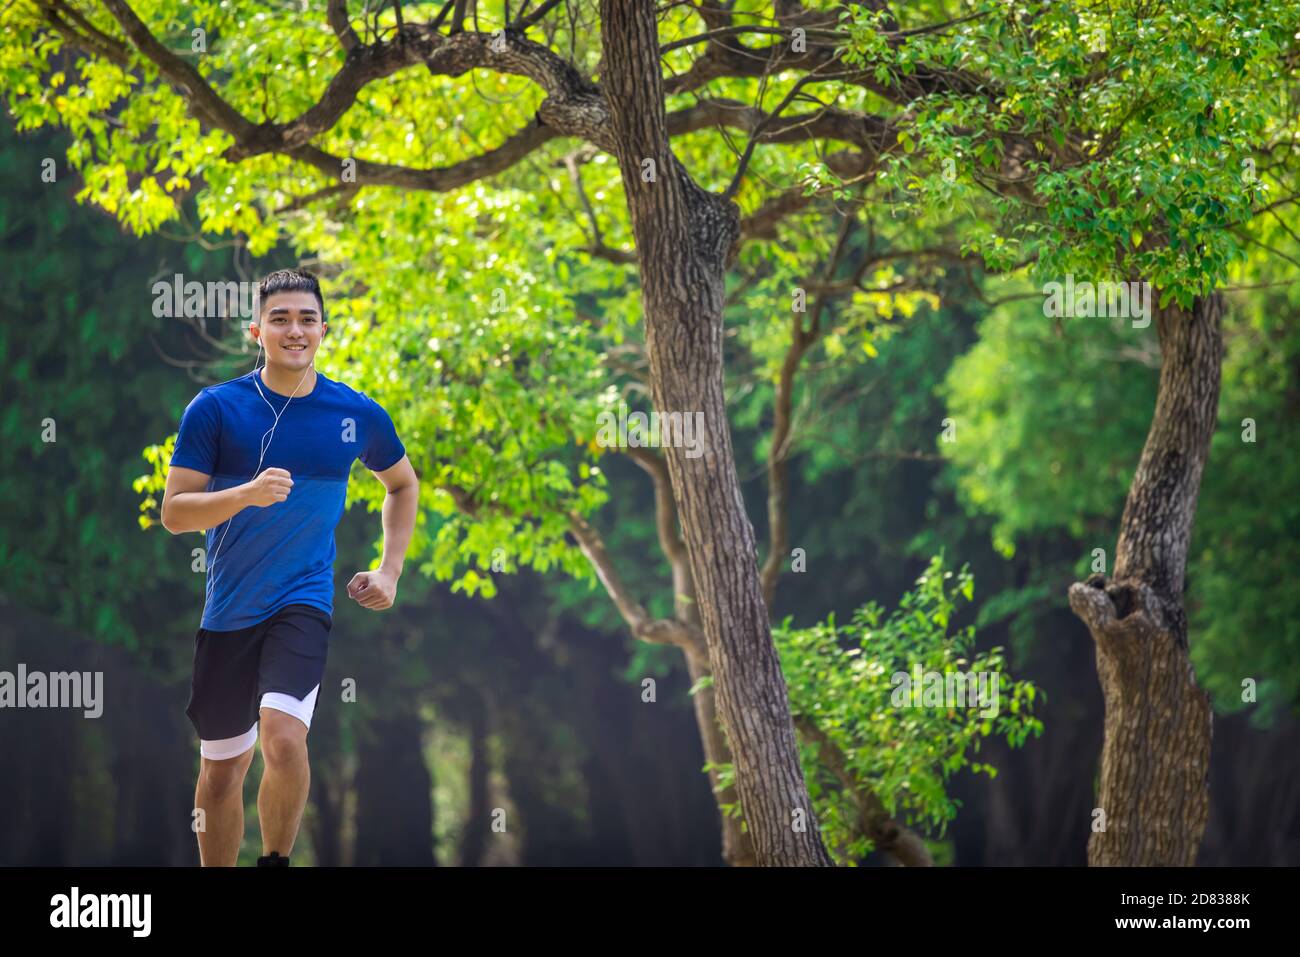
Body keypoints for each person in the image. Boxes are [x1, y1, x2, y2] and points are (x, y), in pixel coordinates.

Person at [160, 268, 419, 866]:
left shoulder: (355, 414)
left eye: (306, 319)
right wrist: (244, 494)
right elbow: (175, 513)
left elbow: (402, 485)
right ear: (257, 330)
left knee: (283, 737)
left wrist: (390, 571)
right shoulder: (217, 409)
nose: (294, 330)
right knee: (222, 776)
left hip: (303, 602)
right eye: (280, 319)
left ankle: (274, 862)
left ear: (323, 330)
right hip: (229, 612)